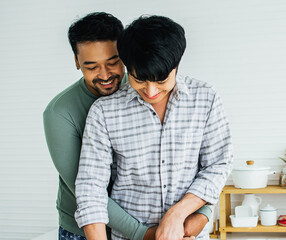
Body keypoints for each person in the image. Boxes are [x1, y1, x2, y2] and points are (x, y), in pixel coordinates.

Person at [43, 12, 211, 240]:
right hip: (88, 228)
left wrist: (199, 212)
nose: (105, 75)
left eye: (113, 63)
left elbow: (194, 164)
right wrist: (148, 234)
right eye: (91, 67)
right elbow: (87, 188)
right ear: (76, 61)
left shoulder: (145, 88)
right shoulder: (60, 113)